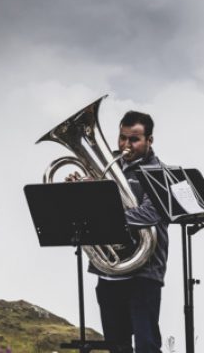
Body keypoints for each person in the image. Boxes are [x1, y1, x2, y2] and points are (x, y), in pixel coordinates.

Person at [69, 110, 168, 353]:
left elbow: (150, 214)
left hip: (144, 272)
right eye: (122, 137)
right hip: (109, 271)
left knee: (146, 346)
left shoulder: (158, 172)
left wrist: (107, 217)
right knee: (117, 347)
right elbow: (88, 211)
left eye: (134, 139)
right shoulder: (105, 165)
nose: (126, 145)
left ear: (149, 140)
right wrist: (80, 191)